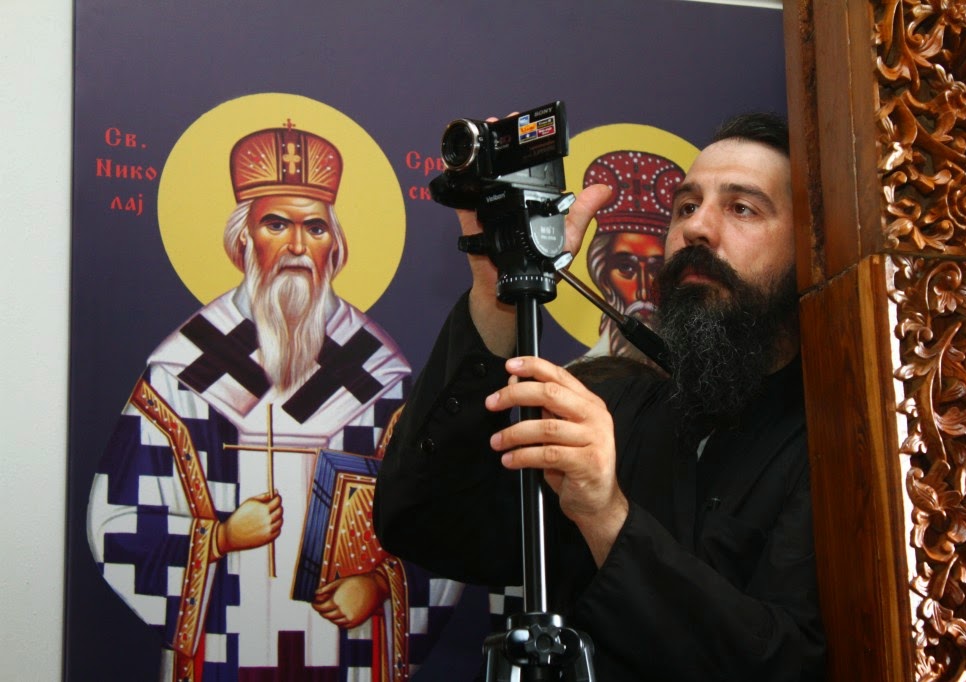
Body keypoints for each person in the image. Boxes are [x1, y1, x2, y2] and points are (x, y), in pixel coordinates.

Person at [373, 112, 826, 680]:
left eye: (742, 208)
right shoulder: (608, 405)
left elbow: (787, 663)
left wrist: (606, 517)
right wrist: (497, 291)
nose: (697, 229)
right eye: (687, 206)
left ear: (810, 246)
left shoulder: (831, 444)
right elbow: (422, 521)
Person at [87, 123, 461, 681]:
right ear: (243, 239)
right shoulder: (184, 372)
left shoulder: (379, 376)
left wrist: (379, 584)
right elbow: (114, 523)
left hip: (348, 652)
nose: (297, 247)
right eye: (277, 224)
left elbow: (442, 524)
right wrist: (220, 538)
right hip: (222, 649)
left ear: (335, 247)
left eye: (315, 227)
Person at [578, 150, 684, 369]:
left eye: (656, 269)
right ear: (603, 276)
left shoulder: (704, 382)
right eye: (626, 268)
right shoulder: (574, 377)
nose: (643, 292)